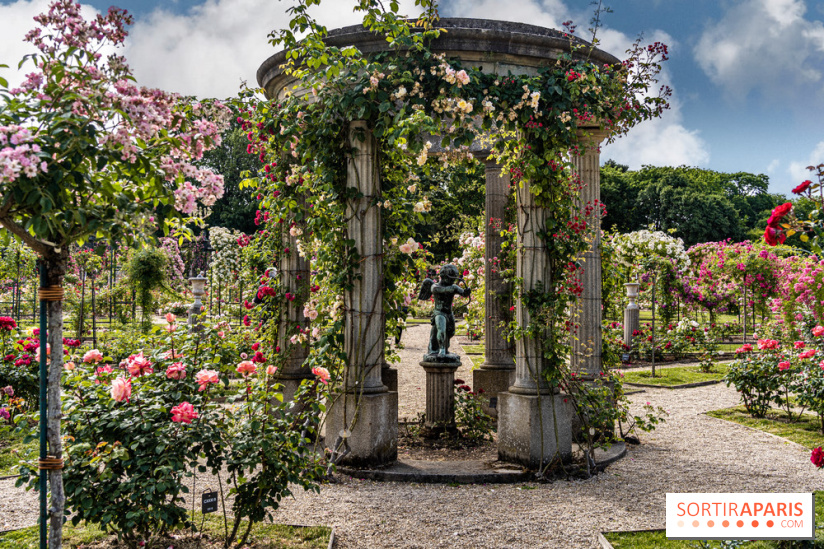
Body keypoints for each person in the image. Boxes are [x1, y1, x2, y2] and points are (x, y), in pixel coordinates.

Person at [418, 264, 471, 359]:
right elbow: (442, 290)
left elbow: (463, 293)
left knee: (451, 332)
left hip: (449, 313)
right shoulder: (435, 287)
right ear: (444, 276)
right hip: (439, 313)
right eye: (451, 279)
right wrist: (454, 289)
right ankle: (441, 350)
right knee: (441, 330)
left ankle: (445, 348)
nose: (452, 281)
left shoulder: (453, 287)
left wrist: (466, 292)